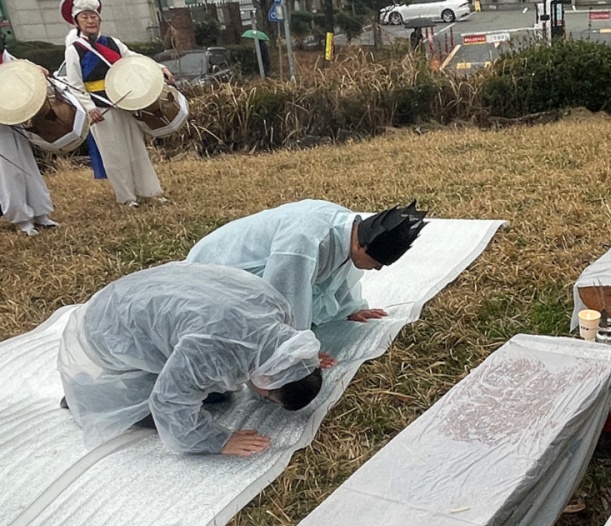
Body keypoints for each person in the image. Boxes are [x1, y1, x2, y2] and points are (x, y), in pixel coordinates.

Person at [58, 262, 326, 457]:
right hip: (107, 327)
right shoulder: (211, 348)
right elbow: (168, 402)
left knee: (218, 394)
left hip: (142, 290)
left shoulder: (277, 310)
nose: (263, 398)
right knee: (170, 409)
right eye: (268, 397)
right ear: (267, 380)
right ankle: (85, 392)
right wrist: (218, 440)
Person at [186, 200, 428, 331]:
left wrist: (350, 308)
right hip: (216, 267)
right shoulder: (303, 242)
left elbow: (339, 270)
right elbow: (284, 295)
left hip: (237, 258)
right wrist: (298, 349)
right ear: (363, 247)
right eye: (376, 264)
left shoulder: (349, 228)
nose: (376, 270)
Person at [61, 0, 173, 207]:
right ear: (77, 22)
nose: (90, 21)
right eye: (84, 17)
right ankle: (127, 197)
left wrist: (158, 67)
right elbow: (76, 84)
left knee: (136, 148)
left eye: (93, 16)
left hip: (123, 102)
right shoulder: (74, 50)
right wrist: (90, 108)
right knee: (114, 154)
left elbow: (133, 58)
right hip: (101, 107)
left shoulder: (112, 42)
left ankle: (149, 190)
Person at [0, 36, 60, 236]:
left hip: (14, 113)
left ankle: (41, 212)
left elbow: (20, 68)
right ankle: (23, 219)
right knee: (9, 172)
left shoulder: (5, 56)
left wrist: (36, 71)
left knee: (28, 166)